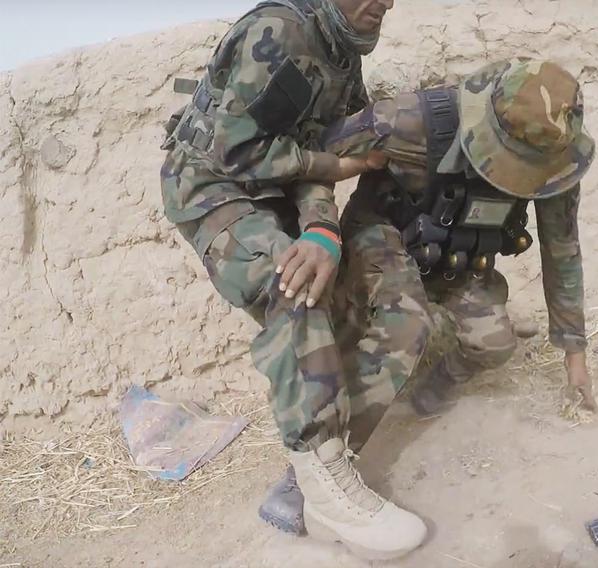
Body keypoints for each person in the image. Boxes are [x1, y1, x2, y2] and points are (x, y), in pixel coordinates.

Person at [264, 56, 598, 544]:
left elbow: (562, 249)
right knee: (407, 327)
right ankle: (312, 474)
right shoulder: (409, 121)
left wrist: (575, 353)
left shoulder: (554, 156)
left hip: (459, 252)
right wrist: (320, 226)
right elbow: (315, 160)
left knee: (495, 342)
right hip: (384, 233)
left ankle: (431, 388)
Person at [160, 0, 429, 561]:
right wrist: (330, 174)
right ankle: (328, 487)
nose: (385, 3)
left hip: (275, 194)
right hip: (212, 188)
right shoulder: (281, 32)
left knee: (396, 316)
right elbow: (233, 148)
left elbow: (319, 150)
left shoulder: (342, 53)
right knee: (294, 286)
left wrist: (322, 229)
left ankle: (315, 467)